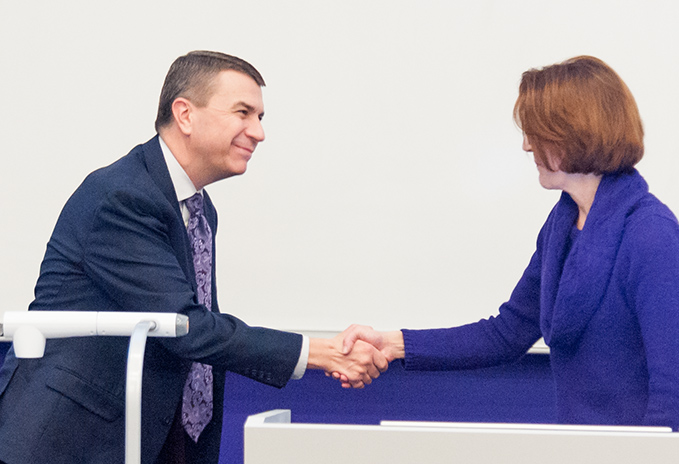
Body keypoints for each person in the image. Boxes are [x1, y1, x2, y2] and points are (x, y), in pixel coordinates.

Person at [0, 51, 387, 464]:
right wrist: (320, 352)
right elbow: (186, 327)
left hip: (164, 436)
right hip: (74, 439)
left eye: (260, 117)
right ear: (184, 114)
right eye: (243, 113)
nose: (258, 132)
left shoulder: (198, 209)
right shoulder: (123, 198)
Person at [339, 56, 679, 430]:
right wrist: (394, 344)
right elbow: (506, 333)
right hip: (583, 449)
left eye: (537, 132)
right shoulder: (562, 225)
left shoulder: (652, 234)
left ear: (574, 132)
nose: (526, 146)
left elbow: (672, 389)